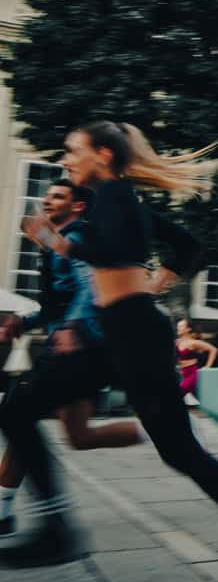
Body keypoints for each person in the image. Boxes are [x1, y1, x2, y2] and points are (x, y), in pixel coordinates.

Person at [2, 121, 218, 582]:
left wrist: (52, 239)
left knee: (175, 449)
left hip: (133, 334)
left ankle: (57, 528)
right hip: (121, 333)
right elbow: (186, 246)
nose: (65, 159)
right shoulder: (120, 200)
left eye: (72, 150)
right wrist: (154, 284)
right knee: (23, 407)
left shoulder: (114, 197)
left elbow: (110, 251)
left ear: (102, 154)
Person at [0, 179, 146, 538]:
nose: (47, 200)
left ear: (77, 206)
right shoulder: (59, 243)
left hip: (76, 348)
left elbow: (89, 286)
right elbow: (57, 304)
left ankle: (10, 512)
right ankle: (162, 429)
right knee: (79, 436)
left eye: (58, 196)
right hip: (72, 344)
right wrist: (24, 322)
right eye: (47, 195)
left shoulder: (76, 237)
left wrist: (73, 328)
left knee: (17, 412)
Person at [175, 319, 218, 399]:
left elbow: (213, 349)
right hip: (184, 373)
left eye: (180, 326)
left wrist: (207, 367)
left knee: (178, 394)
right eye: (178, 326)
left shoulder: (194, 343)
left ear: (188, 329)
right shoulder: (177, 342)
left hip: (193, 373)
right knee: (201, 398)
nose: (178, 328)